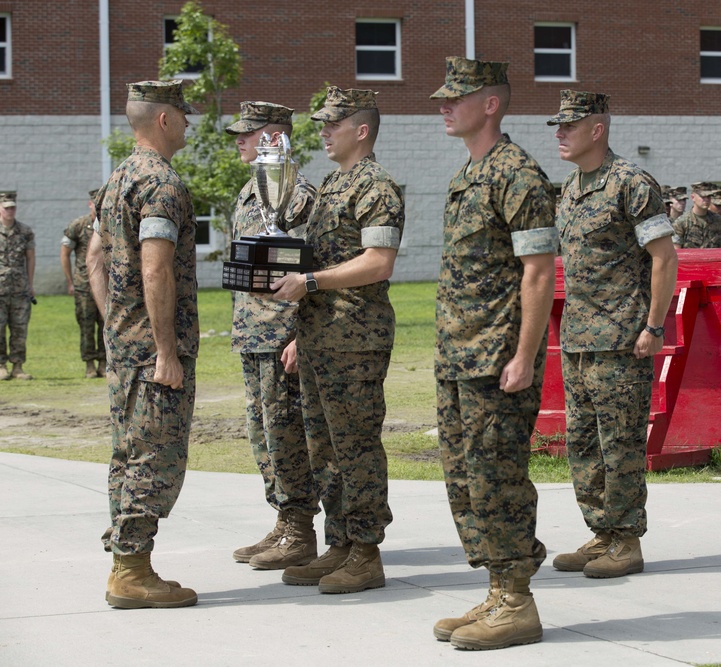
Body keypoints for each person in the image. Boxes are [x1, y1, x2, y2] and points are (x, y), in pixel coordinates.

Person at [429, 56, 556, 651]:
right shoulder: (467, 175)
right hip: (459, 357)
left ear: (491, 104)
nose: (444, 106)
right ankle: (497, 588)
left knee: (498, 478)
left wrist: (525, 354)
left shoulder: (518, 175)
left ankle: (517, 602)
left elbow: (538, 273)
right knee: (465, 479)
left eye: (456, 98)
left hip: (497, 358)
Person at [271, 86, 403, 595]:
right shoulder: (332, 183)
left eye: (333, 123)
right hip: (322, 335)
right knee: (324, 448)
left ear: (362, 129)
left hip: (356, 338)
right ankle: (341, 544)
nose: (323, 131)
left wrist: (310, 284)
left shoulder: (377, 186)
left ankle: (367, 552)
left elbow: (378, 262)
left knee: (356, 447)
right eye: (322, 123)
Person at [548, 90, 677, 579]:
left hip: (623, 337)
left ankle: (626, 539)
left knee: (619, 442)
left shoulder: (632, 183)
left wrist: (654, 326)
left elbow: (664, 258)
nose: (560, 134)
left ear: (596, 129)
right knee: (582, 441)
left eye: (569, 126)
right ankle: (601, 531)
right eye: (557, 126)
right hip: (580, 335)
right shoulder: (572, 186)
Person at [87, 80, 200, 609]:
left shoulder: (118, 179)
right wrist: (165, 350)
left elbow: (95, 258)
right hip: (152, 353)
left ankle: (128, 565)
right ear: (163, 119)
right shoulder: (159, 183)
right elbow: (155, 269)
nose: (189, 123)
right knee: (154, 457)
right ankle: (131, 571)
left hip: (126, 345)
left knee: (128, 454)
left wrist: (117, 325)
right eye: (184, 113)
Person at [225, 101, 319, 569]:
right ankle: (283, 520)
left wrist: (303, 335)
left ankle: (301, 529)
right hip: (252, 334)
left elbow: (314, 271)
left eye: (250, 133)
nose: (240, 140)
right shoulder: (249, 192)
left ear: (276, 138)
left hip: (283, 336)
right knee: (263, 435)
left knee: (287, 434)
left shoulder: (298, 194)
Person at [61, 190, 106, 379]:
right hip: (84, 285)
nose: (98, 207)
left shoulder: (110, 224)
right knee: (86, 324)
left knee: (106, 323)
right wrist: (70, 281)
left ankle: (104, 362)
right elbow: (65, 253)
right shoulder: (78, 225)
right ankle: (89, 364)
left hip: (107, 284)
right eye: (95, 204)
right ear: (90, 204)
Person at [0, 191, 35, 381]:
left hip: (20, 289)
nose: (10, 211)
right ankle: (1, 366)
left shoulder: (25, 231)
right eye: (6, 208)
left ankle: (18, 366)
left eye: (12, 207)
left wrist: (30, 284)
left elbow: (30, 258)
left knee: (20, 329)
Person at [671, 181, 721, 248]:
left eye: (709, 196)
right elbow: (677, 251)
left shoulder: (718, 220)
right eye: (702, 196)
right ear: (693, 197)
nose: (706, 199)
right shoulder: (681, 222)